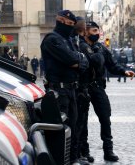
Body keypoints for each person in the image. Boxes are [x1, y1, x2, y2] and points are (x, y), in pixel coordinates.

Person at [79, 21, 135, 162]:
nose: (97, 34)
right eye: (93, 31)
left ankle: (108, 150)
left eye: (98, 31)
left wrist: (124, 71)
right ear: (85, 32)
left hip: (98, 87)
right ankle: (84, 152)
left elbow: (112, 65)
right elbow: (92, 62)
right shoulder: (79, 46)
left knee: (105, 117)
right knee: (82, 120)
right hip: (83, 87)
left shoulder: (101, 48)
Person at [40, 10, 89, 165]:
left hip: (71, 89)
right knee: (62, 127)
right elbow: (70, 59)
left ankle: (73, 159)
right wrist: (76, 61)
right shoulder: (52, 39)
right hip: (58, 91)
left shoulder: (68, 40)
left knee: (73, 126)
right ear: (59, 20)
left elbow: (83, 62)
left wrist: (77, 61)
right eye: (67, 24)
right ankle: (62, 161)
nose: (69, 27)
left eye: (72, 25)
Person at [70, 16, 94, 163]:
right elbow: (84, 62)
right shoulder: (75, 41)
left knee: (82, 124)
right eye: (85, 26)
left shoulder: (79, 41)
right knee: (78, 125)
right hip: (77, 88)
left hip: (82, 88)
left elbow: (84, 62)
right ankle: (77, 154)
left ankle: (82, 152)